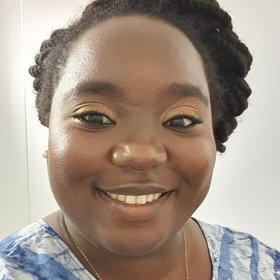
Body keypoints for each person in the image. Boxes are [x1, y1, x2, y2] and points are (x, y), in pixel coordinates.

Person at [0, 0, 279, 279]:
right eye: (95, 117)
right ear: (50, 132)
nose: (141, 154)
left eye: (181, 120)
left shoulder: (264, 267)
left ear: (213, 134)